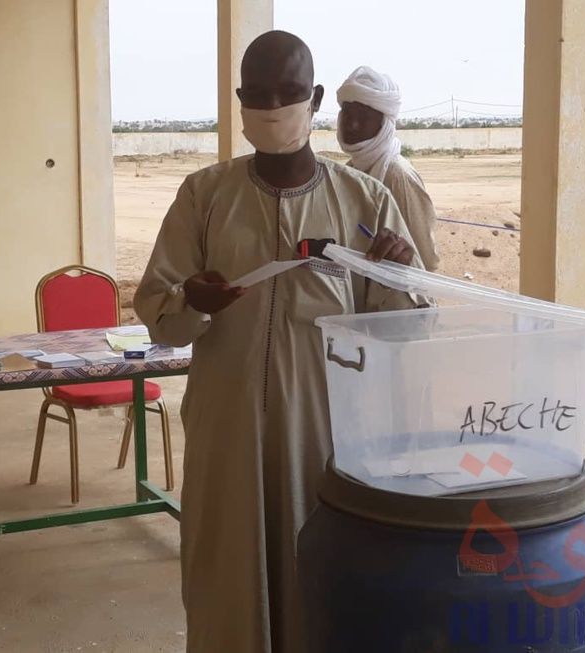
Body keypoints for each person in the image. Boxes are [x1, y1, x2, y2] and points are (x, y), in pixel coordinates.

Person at [134, 31, 426, 653]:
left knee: (320, 566)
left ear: (314, 97)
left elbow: (407, 327)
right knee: (225, 572)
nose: (273, 107)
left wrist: (398, 272)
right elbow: (160, 314)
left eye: (289, 92)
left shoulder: (364, 200)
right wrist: (192, 298)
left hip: (325, 430)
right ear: (239, 100)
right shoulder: (203, 196)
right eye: (258, 94)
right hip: (226, 427)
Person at [337, 65, 441, 271]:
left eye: (364, 117)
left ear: (384, 122)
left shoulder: (397, 174)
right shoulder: (350, 171)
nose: (353, 125)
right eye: (348, 115)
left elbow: (424, 260)